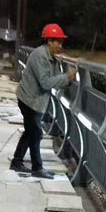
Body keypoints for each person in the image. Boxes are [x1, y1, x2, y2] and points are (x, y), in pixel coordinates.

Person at [10, 23, 76, 179]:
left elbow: (54, 78)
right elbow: (46, 82)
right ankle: (37, 168)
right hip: (29, 100)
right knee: (36, 133)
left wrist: (66, 79)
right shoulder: (41, 56)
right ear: (49, 41)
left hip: (33, 100)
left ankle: (17, 162)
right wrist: (67, 76)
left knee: (30, 132)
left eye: (61, 42)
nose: (60, 46)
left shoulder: (49, 56)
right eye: (58, 42)